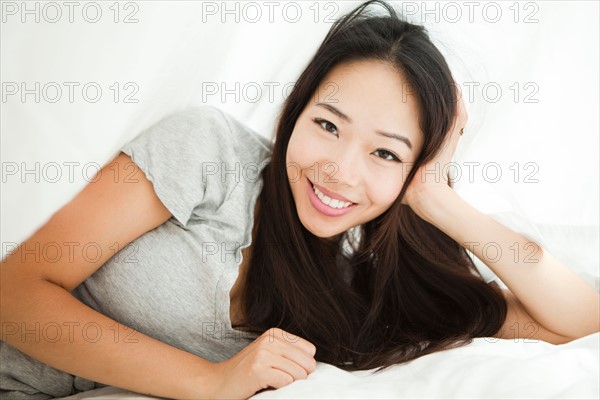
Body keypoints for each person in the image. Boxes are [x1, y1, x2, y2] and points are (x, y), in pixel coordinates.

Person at [1, 1, 598, 399]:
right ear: (297, 110)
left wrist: (438, 200)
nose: (338, 172)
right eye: (329, 125)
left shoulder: (364, 288)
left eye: (385, 154)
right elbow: (13, 293)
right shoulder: (209, 154)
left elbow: (581, 323)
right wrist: (212, 382)